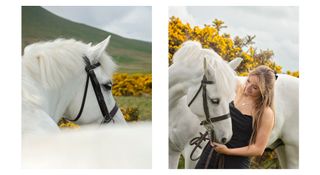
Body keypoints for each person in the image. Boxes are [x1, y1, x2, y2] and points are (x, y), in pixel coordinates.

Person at [195, 65, 276, 169]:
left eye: (255, 87)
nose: (248, 88)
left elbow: (258, 149)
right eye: (248, 81)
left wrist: (228, 151)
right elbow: (220, 72)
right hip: (211, 153)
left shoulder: (266, 112)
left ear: (265, 91)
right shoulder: (238, 90)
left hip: (235, 162)